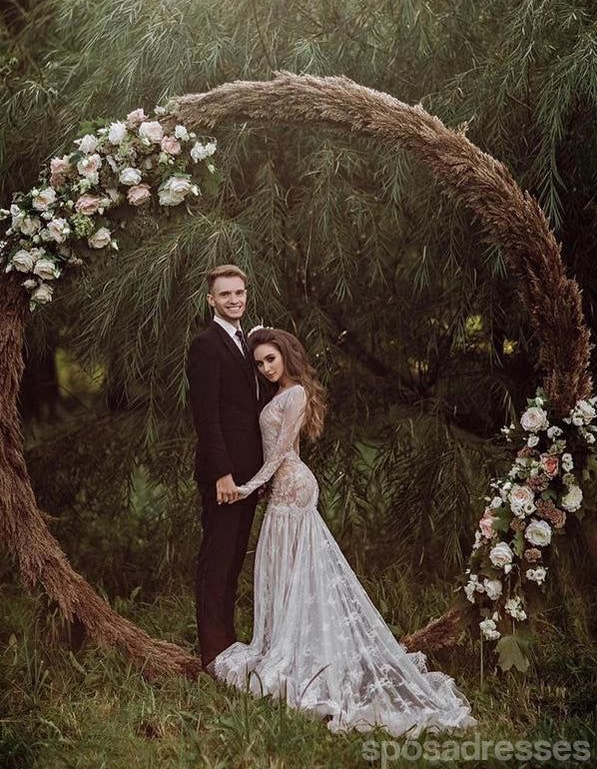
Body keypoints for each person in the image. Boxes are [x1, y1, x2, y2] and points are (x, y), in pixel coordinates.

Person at [212, 327, 477, 737]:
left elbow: (283, 451)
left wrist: (248, 485)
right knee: (280, 565)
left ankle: (300, 650)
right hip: (281, 485)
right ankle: (287, 640)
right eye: (260, 362)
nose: (266, 367)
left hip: (294, 484)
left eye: (271, 359)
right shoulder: (277, 393)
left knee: (298, 566)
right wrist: (263, 484)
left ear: (286, 355)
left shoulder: (296, 392)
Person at [186, 264, 274, 672]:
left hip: (249, 472)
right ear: (211, 300)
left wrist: (259, 473)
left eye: (239, 293)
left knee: (235, 555)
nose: (234, 300)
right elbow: (206, 416)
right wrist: (223, 473)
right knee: (217, 557)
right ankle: (213, 653)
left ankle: (228, 642)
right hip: (223, 475)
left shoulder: (249, 342)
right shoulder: (206, 345)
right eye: (225, 295)